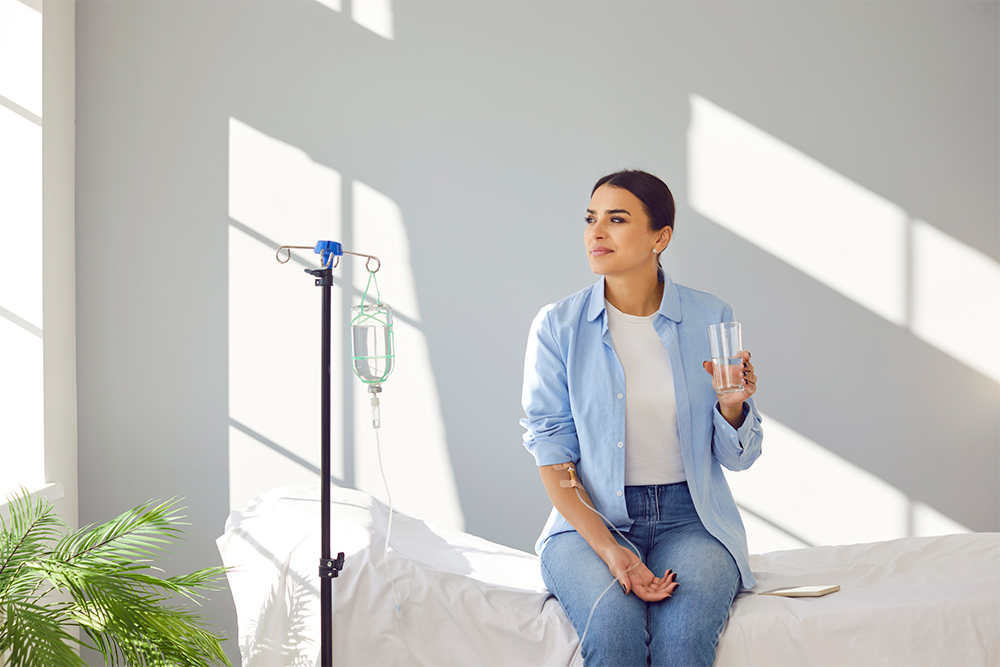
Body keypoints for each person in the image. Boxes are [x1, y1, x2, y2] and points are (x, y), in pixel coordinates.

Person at [520, 170, 763, 666]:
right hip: (589, 518)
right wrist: (608, 548)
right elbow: (551, 449)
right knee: (614, 634)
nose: (596, 232)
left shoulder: (711, 316)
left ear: (661, 237)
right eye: (591, 219)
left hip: (692, 521)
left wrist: (732, 405)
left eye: (617, 219)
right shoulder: (557, 326)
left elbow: (738, 461)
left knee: (683, 645)